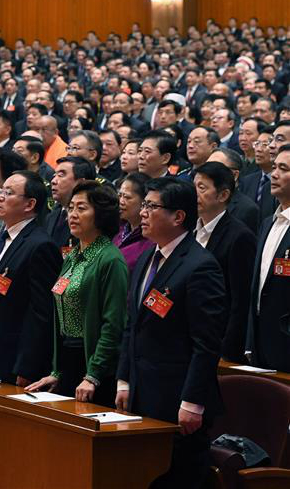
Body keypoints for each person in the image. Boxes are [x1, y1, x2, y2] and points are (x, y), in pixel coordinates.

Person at [116, 178, 227, 489]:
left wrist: (192, 401)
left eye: (152, 206)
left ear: (178, 217)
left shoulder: (200, 266)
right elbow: (132, 324)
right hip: (141, 391)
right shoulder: (148, 259)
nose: (143, 213)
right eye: (145, 205)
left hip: (178, 401)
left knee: (178, 478)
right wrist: (124, 379)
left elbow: (206, 343)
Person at [27, 181, 127, 406]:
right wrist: (57, 371)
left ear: (101, 214)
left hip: (93, 367)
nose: (72, 214)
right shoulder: (72, 256)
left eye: (82, 208)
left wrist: (93, 375)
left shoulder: (110, 259)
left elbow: (113, 323)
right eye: (71, 207)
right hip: (68, 360)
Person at [0, 170, 61, 384]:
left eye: (9, 193)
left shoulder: (41, 246)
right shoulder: (1, 238)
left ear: (30, 204)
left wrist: (28, 365)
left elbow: (42, 312)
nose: (0, 197)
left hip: (12, 359)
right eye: (1, 190)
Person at [191, 162, 255, 362]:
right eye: (194, 186)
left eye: (202, 188)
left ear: (223, 195)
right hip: (187, 336)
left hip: (217, 341)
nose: (194, 193)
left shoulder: (240, 237)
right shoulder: (188, 229)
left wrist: (227, 351)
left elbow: (240, 300)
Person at [247, 144, 290, 373]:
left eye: (283, 168)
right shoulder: (267, 223)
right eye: (274, 167)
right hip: (259, 344)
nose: (274, 174)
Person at [46, 156, 96, 252]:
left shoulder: (92, 219)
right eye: (54, 175)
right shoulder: (51, 216)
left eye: (61, 175)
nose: (53, 181)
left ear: (81, 182)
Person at [114, 172, 154, 275]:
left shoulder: (151, 239)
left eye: (127, 197)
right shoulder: (118, 228)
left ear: (144, 201)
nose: (121, 201)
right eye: (120, 196)